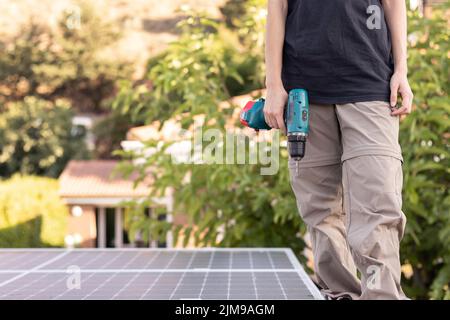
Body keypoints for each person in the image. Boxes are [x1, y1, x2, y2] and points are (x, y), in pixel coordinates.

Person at [264, 0, 413, 300]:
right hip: (303, 92)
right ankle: (339, 294)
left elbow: (394, 3)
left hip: (371, 85)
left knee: (378, 202)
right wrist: (273, 84)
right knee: (320, 209)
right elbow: (277, 8)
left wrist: (401, 70)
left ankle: (381, 295)